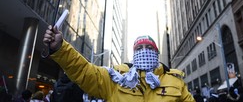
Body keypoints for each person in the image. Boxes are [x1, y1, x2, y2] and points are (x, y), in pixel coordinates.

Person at [43, 26, 195, 102]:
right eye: (139, 48)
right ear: (134, 54)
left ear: (156, 52)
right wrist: (61, 48)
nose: (144, 51)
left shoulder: (175, 81)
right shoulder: (117, 77)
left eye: (149, 48)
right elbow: (85, 72)